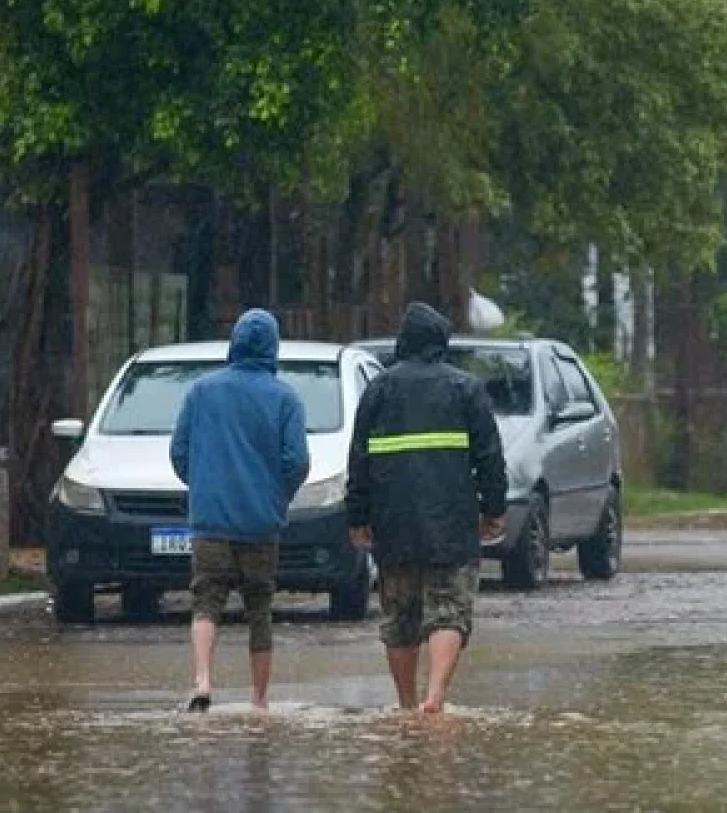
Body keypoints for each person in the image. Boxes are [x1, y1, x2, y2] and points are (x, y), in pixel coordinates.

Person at [346, 302, 506, 716]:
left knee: (400, 619)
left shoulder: (378, 391)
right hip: (451, 524)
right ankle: (435, 698)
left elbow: (358, 458)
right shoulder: (466, 389)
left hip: (392, 524)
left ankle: (405, 704)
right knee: (448, 612)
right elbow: (490, 456)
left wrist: (357, 517)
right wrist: (494, 509)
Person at [169, 309, 310, 712]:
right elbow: (296, 461)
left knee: (206, 600)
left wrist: (202, 487)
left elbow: (179, 453)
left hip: (210, 519)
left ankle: (202, 679)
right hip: (261, 522)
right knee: (259, 610)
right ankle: (260, 699)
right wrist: (276, 496)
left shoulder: (200, 391)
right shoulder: (285, 398)